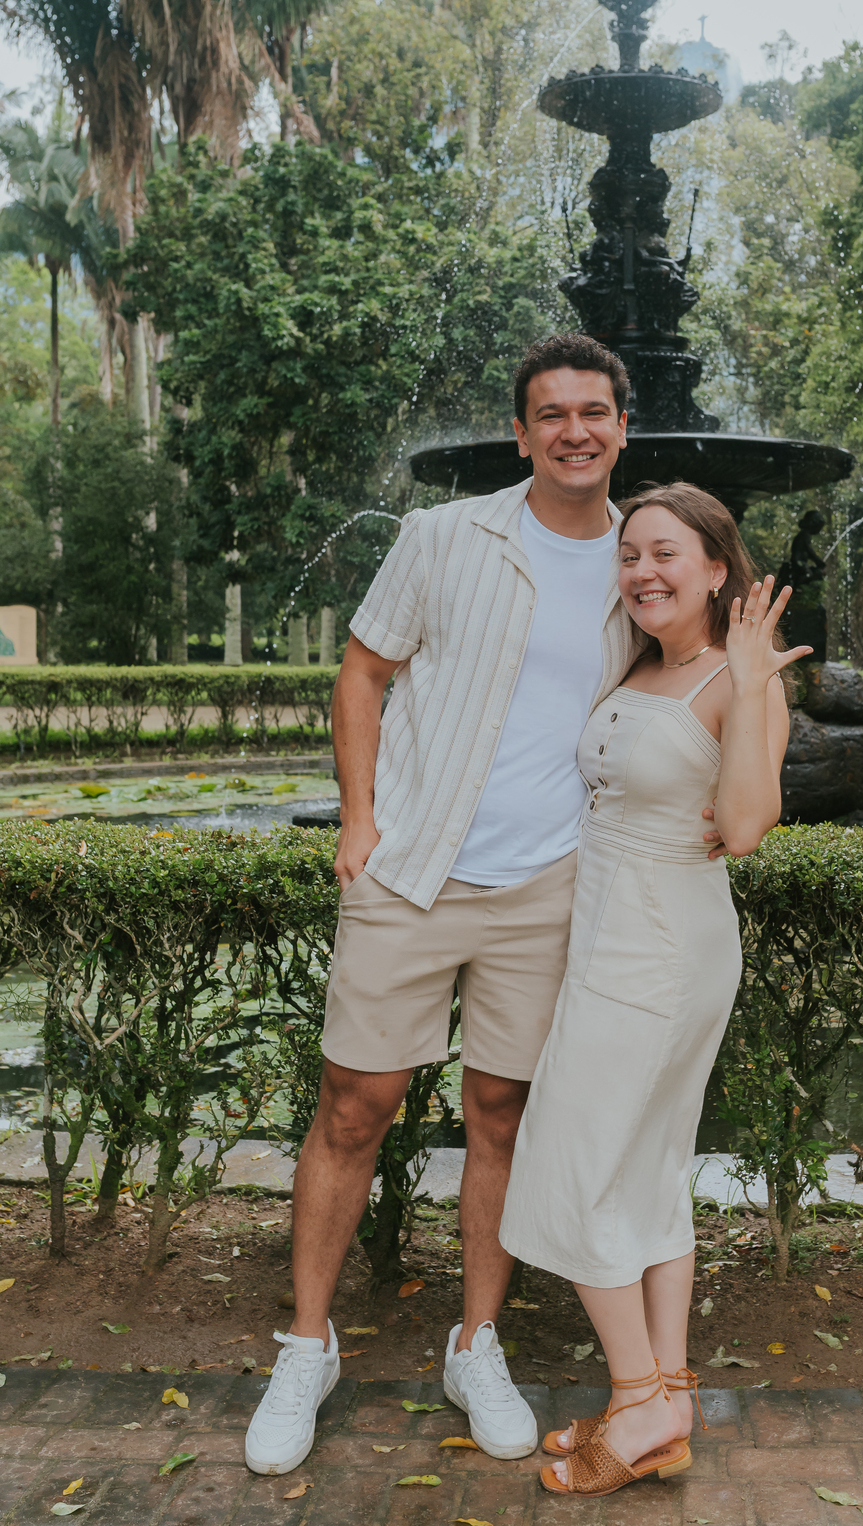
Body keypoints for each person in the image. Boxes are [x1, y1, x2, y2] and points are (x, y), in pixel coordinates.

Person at [244, 332, 643, 1476]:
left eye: (594, 412)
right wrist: (361, 823)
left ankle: (477, 1343)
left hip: (550, 886)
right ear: (522, 434)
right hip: (417, 873)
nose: (575, 430)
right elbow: (363, 673)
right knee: (354, 1106)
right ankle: (306, 1346)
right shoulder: (441, 536)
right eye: (552, 413)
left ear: (622, 429)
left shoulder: (640, 559)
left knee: (502, 1118)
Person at [499, 481, 810, 1499]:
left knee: (574, 1164)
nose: (643, 571)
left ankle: (638, 1400)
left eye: (666, 554)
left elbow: (752, 823)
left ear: (718, 568)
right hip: (612, 936)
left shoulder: (734, 675)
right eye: (630, 555)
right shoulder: (643, 662)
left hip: (661, 948)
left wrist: (758, 682)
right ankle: (665, 1399)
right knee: (642, 1167)